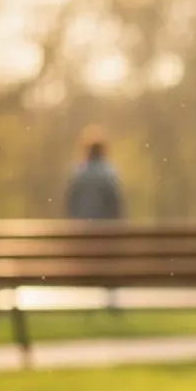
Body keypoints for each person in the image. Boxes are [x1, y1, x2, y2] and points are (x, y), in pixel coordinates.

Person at [65, 126, 125, 311]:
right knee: (109, 260)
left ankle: (82, 305)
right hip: (106, 235)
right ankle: (110, 301)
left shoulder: (78, 174)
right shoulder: (109, 174)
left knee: (87, 258)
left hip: (82, 234)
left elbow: (70, 204)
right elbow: (116, 205)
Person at [65, 127, 125, 222]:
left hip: (80, 230)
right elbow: (116, 207)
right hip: (104, 231)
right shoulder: (109, 174)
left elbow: (69, 206)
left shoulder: (78, 175)